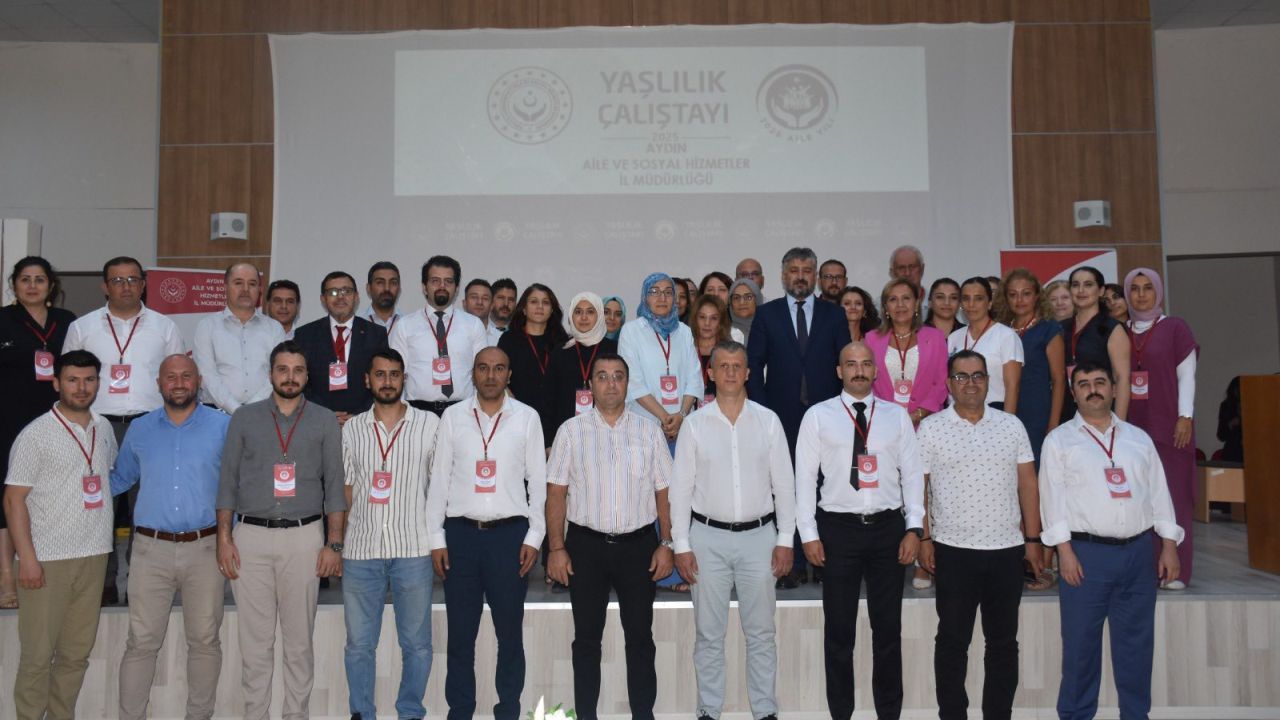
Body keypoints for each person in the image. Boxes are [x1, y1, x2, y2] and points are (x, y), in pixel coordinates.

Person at [1040, 362, 1184, 720]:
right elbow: (1051, 500)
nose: (1093, 389)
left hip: (1138, 553)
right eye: (1083, 384)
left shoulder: (1138, 439)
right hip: (1086, 556)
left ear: (1115, 389)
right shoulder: (1059, 441)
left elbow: (1159, 493)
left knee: (1136, 646)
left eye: (1100, 382)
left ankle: (1135, 715)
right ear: (1073, 394)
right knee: (1080, 648)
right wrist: (1063, 551)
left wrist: (1168, 544)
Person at [215, 340, 347, 720]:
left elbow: (334, 486)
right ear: (270, 373)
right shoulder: (244, 418)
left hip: (305, 538)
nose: (290, 377)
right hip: (250, 538)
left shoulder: (324, 419)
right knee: (255, 645)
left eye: (298, 370)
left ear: (307, 375)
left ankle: (296, 715)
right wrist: (224, 539)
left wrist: (334, 545)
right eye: (283, 369)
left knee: (299, 643)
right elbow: (227, 481)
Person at [795, 342, 925, 720]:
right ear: (839, 371)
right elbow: (804, 479)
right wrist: (809, 534)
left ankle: (889, 713)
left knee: (888, 631)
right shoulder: (817, 416)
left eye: (866, 364)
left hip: (888, 530)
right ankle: (841, 713)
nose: (859, 370)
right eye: (851, 364)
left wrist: (914, 527)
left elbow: (912, 474)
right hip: (838, 531)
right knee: (839, 633)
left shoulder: (896, 416)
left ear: (876, 370)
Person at [545, 353, 675, 720]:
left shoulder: (649, 431)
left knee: (641, 638)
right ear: (591, 386)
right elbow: (555, 494)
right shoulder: (571, 431)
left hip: (639, 547)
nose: (611, 383)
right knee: (586, 641)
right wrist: (556, 548)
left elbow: (665, 493)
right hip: (585, 547)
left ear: (628, 384)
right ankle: (586, 715)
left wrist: (667, 543)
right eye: (602, 376)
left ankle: (643, 715)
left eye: (618, 376)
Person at [671, 340, 796, 720]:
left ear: (747, 373)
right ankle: (709, 710)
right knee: (709, 634)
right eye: (722, 366)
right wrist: (681, 544)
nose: (729, 372)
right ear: (710, 373)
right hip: (706, 540)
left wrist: (785, 540)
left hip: (760, 540)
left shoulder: (768, 421)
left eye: (736, 366)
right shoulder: (694, 425)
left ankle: (765, 711)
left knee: (761, 633)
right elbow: (681, 490)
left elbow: (784, 485)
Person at [916, 350, 1043, 720]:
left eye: (978, 376)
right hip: (953, 550)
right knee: (952, 641)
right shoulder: (931, 428)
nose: (970, 383)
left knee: (1002, 643)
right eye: (961, 376)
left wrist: (1033, 540)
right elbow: (919, 489)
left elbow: (1028, 484)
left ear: (988, 381)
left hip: (1006, 550)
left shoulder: (1011, 426)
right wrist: (924, 538)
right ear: (949, 383)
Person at [426, 347, 546, 720]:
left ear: (509, 375)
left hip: (510, 539)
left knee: (510, 636)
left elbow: (538, 482)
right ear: (473, 373)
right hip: (460, 537)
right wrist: (436, 538)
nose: (491, 375)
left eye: (498, 369)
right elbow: (439, 480)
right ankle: (460, 711)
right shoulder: (452, 417)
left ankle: (508, 710)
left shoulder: (527, 417)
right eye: (483, 368)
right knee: (461, 637)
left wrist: (534, 536)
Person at [109, 354, 229, 720]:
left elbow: (237, 483)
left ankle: (199, 716)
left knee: (205, 641)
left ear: (199, 381)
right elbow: (119, 479)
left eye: (186, 376)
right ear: (159, 383)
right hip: (150, 550)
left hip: (206, 549)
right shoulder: (140, 429)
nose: (179, 383)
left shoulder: (223, 425)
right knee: (140, 643)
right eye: (171, 377)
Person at [64, 255, 186, 604]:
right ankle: (101, 582)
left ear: (143, 284)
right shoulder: (83, 327)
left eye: (133, 279)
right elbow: (68, 380)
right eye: (117, 280)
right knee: (98, 506)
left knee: (144, 508)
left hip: (149, 426)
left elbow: (176, 380)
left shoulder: (164, 327)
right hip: (96, 426)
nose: (126, 286)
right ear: (105, 286)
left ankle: (139, 581)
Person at [3, 350, 115, 720]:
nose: (81, 388)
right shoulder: (35, 435)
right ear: (56, 383)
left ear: (98, 383)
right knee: (37, 657)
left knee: (75, 655)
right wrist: (27, 559)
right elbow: (13, 500)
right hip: (46, 561)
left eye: (89, 379)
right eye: (72, 380)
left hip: (94, 555)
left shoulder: (104, 428)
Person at [340, 348, 440, 720]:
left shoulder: (430, 425)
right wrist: (338, 539)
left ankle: (410, 712)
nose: (387, 381)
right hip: (361, 549)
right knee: (358, 645)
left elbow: (439, 486)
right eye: (380, 374)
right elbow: (346, 489)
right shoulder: (352, 428)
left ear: (403, 379)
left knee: (417, 645)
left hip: (413, 548)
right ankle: (361, 713)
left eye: (394, 374)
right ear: (367, 380)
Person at [747, 247, 851, 587]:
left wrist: (842, 412)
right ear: (783, 275)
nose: (800, 276)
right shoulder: (767, 314)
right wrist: (763, 413)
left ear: (815, 276)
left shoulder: (834, 315)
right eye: (794, 270)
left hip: (827, 416)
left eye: (807, 270)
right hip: (781, 416)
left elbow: (845, 364)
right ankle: (789, 561)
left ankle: (822, 560)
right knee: (785, 485)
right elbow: (754, 366)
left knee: (825, 484)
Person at [0, 256, 76, 610]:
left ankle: (50, 569)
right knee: (8, 497)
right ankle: (6, 576)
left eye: (40, 279)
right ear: (14, 285)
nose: (32, 286)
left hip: (56, 423)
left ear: (51, 285)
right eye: (25, 279)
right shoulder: (3, 319)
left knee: (52, 495)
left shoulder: (67, 321)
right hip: (8, 423)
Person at [1123, 267, 1199, 589]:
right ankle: (1146, 569)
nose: (1141, 295)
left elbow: (1187, 375)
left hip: (1170, 425)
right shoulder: (1120, 331)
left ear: (1158, 292)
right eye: (1135, 289)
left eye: (1148, 288)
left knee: (1174, 496)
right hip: (1130, 428)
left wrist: (1185, 416)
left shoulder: (1175, 327)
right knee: (1138, 499)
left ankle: (1176, 571)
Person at [391, 256, 488, 416]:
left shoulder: (474, 325)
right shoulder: (405, 325)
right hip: (418, 411)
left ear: (456, 288)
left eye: (448, 281)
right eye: (435, 281)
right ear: (424, 287)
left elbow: (482, 373)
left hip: (463, 411)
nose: (442, 286)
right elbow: (396, 374)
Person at [293, 271, 388, 424]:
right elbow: (300, 382)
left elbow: (382, 379)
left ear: (356, 296)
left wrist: (359, 416)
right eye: (333, 292)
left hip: (364, 422)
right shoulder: (304, 335)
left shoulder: (376, 334)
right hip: (318, 422)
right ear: (323, 299)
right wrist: (325, 415)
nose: (340, 297)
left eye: (346, 291)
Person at [618, 272, 704, 443]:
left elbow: (694, 379)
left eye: (668, 292)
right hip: (643, 425)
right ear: (645, 297)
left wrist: (680, 416)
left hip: (682, 425)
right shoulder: (631, 331)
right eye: (654, 291)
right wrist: (665, 418)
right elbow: (633, 382)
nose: (662, 298)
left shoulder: (684, 332)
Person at [193, 262, 285, 414]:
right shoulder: (207, 326)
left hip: (264, 412)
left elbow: (279, 372)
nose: (245, 289)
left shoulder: (274, 328)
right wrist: (235, 409)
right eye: (238, 283)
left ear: (260, 290)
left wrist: (249, 410)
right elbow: (207, 375)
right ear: (225, 287)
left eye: (252, 284)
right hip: (216, 413)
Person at [996, 268, 1065, 465]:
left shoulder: (1049, 329)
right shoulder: (1000, 329)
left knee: (1033, 469)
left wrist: (1053, 423)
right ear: (1006, 298)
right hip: (1002, 409)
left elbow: (1059, 380)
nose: (1019, 300)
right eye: (1013, 294)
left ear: (1036, 296)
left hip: (1037, 411)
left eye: (1026, 293)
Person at [865, 278, 948, 426]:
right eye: (893, 299)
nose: (900, 305)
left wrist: (918, 414)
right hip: (884, 422)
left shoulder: (936, 337)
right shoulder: (871, 339)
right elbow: (868, 383)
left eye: (906, 298)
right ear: (885, 307)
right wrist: (886, 415)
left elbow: (941, 382)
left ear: (916, 304)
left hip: (928, 423)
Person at [498, 283, 567, 450]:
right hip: (518, 417)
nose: (540, 307)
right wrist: (517, 409)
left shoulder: (563, 342)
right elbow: (500, 378)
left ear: (552, 310)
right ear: (523, 308)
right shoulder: (509, 340)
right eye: (534, 301)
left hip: (555, 420)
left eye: (546, 302)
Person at [1061, 266, 1131, 423]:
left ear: (1101, 291)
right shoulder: (1061, 328)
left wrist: (1119, 425)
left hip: (1103, 414)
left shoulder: (1113, 329)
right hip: (1067, 415)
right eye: (1075, 285)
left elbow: (1122, 379)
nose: (1081, 290)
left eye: (1088, 285)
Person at [948, 277, 1023, 413]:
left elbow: (1012, 387)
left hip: (994, 411)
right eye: (966, 298)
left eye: (978, 299)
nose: (971, 304)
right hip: (958, 413)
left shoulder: (1006, 336)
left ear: (989, 303)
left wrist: (1008, 421)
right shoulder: (954, 337)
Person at [551, 292, 617, 431]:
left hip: (605, 428)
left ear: (599, 315)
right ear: (571, 317)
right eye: (578, 312)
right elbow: (550, 397)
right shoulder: (561, 350)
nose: (584, 317)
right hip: (565, 428)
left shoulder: (613, 349)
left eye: (590, 312)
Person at [692, 295, 733, 406]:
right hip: (687, 411)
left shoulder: (729, 352)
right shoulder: (686, 348)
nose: (707, 323)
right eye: (702, 317)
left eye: (713, 318)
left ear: (721, 322)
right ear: (695, 319)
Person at [364, 261, 403, 333]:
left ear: (399, 288)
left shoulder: (409, 324)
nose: (387, 288)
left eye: (393, 283)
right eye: (380, 282)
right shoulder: (355, 324)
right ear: (368, 288)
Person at [464, 278, 502, 346]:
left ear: (492, 305)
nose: (479, 302)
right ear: (464, 303)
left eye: (485, 298)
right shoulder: (452, 332)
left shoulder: (501, 338)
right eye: (474, 297)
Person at [728, 277, 761, 345]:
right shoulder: (722, 334)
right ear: (730, 303)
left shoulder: (771, 330)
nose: (742, 302)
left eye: (748, 297)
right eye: (736, 298)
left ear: (757, 300)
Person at [1217, 376, 1243, 462]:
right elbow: (1221, 435)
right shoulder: (1226, 406)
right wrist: (1230, 424)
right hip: (1232, 452)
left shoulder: (1253, 405)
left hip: (1250, 451)